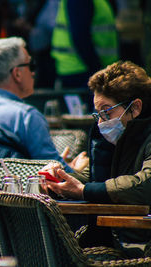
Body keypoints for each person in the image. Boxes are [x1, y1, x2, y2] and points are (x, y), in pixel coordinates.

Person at [44, 61, 151, 248]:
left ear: (135, 108)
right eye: (98, 114)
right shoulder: (114, 137)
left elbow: (145, 184)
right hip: (112, 239)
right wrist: (60, 180)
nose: (102, 122)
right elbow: (94, 177)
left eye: (107, 112)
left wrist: (83, 191)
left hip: (141, 243)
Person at [0, 37, 86, 171]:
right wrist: (78, 171)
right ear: (17, 73)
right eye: (31, 65)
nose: (33, 72)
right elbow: (51, 171)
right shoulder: (27, 117)